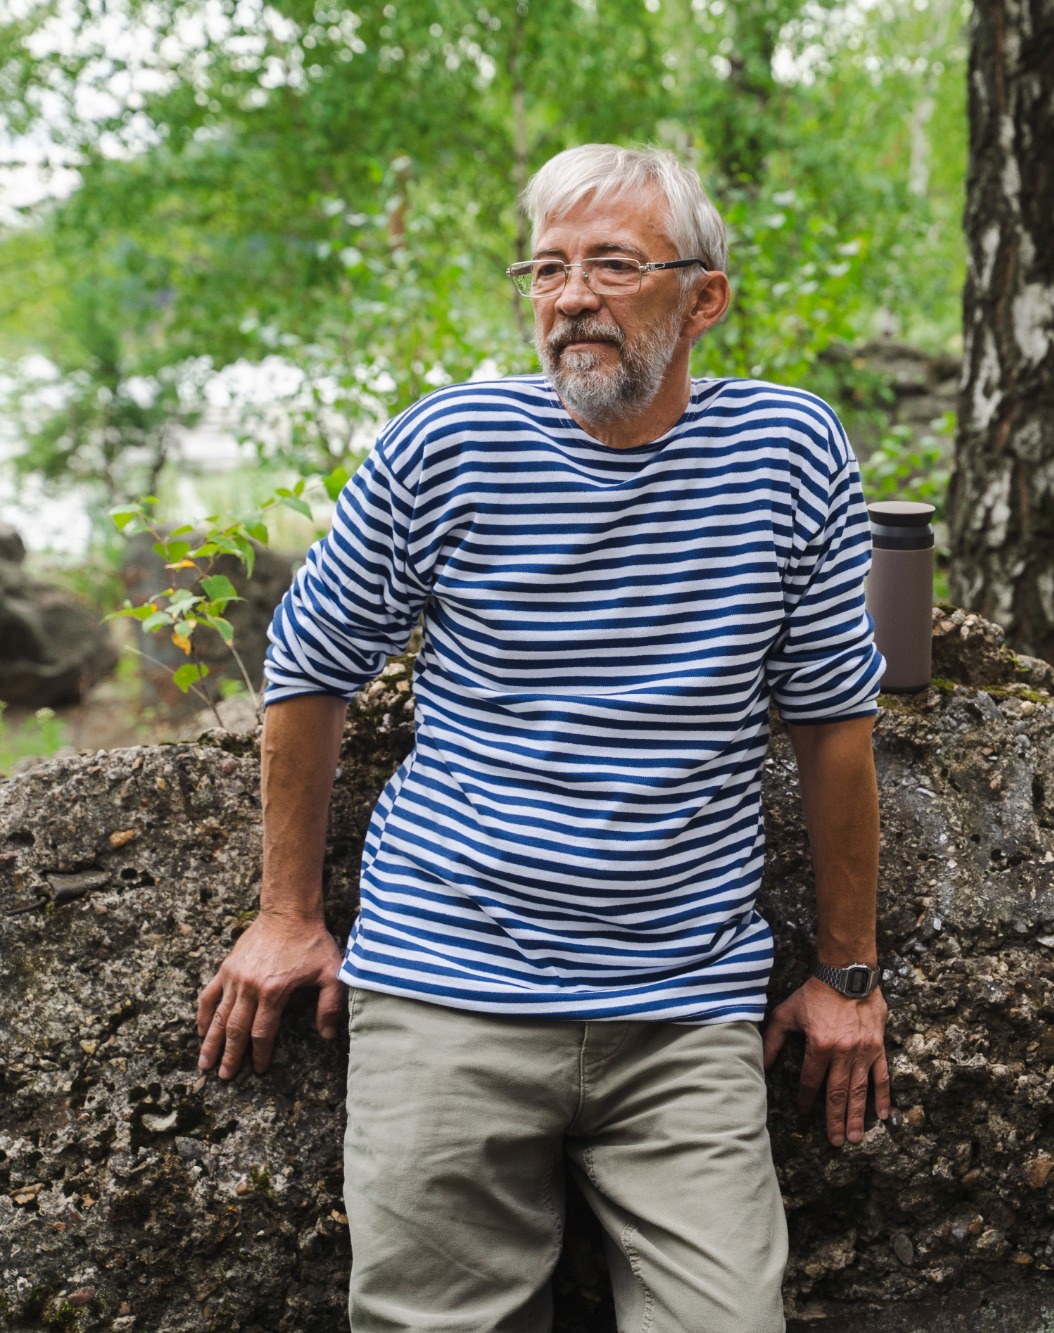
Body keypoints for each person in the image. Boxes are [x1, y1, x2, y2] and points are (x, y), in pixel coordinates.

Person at [192, 144, 891, 1332]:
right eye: (547, 269)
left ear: (703, 297)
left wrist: (847, 974)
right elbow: (309, 666)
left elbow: (834, 722)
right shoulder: (446, 446)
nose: (569, 298)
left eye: (612, 266)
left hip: (683, 1008)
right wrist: (286, 914)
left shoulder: (789, 453)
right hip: (446, 993)